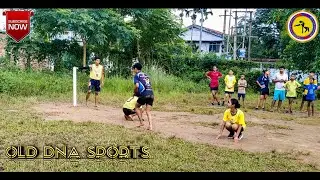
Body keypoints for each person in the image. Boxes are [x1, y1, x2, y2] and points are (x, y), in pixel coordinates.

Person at [132, 63, 154, 130]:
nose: (133, 70)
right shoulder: (146, 75)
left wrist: (135, 92)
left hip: (144, 94)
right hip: (151, 94)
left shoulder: (137, 75)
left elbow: (137, 86)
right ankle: (150, 126)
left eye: (133, 69)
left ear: (136, 69)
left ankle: (141, 122)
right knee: (148, 111)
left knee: (136, 106)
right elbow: (149, 84)